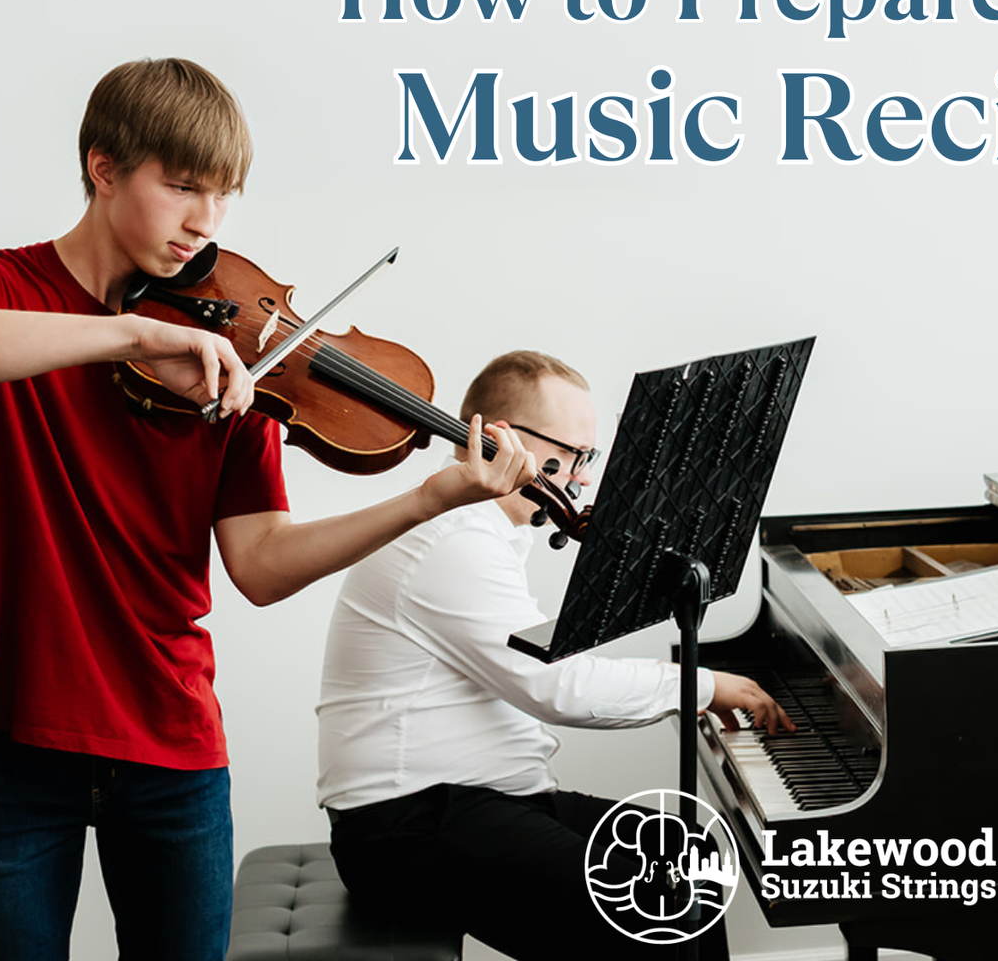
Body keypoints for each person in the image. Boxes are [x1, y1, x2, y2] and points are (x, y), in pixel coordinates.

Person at [0, 57, 537, 961]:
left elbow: (261, 566)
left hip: (172, 749)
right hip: (9, 748)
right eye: (182, 186)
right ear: (103, 168)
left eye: (224, 197)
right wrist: (136, 332)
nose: (205, 223)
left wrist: (430, 496)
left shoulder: (235, 351)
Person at [317, 350, 794, 960]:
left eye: (588, 458)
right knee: (652, 904)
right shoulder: (451, 536)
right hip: (406, 825)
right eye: (574, 455)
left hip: (479, 800)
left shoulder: (483, 531)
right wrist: (697, 686)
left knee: (691, 857)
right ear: (503, 439)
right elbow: (555, 687)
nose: (584, 477)